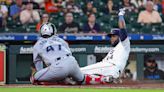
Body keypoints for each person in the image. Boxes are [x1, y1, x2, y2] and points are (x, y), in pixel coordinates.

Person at [30, 22, 111, 85]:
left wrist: (43, 75)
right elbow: (69, 52)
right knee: (82, 79)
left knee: (34, 78)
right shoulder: (60, 40)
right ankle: (102, 79)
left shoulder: (37, 44)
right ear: (53, 31)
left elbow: (38, 63)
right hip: (71, 62)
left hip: (58, 67)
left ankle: (61, 81)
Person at [81, 8, 130, 82]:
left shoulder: (124, 44)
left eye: (114, 36)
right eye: (111, 37)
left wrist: (120, 15)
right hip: (107, 69)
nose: (111, 38)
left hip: (110, 66)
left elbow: (122, 28)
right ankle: (107, 79)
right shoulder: (114, 49)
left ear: (120, 37)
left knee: (79, 71)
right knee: (85, 78)